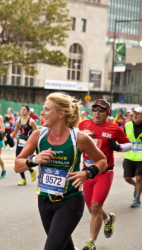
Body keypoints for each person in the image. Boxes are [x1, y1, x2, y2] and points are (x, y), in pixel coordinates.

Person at [14, 92, 107, 250]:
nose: (42, 113)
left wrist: (87, 173)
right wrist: (34, 160)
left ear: (61, 113)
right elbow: (17, 165)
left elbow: (102, 161)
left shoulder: (79, 138)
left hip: (70, 201)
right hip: (44, 201)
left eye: (47, 109)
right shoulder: (38, 135)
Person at [79, 99, 132, 250]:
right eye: (94, 109)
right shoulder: (84, 125)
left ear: (107, 113)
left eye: (101, 110)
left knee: (95, 207)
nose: (96, 112)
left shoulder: (114, 128)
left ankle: (91, 242)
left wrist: (118, 147)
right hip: (87, 172)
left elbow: (128, 145)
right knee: (91, 208)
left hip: (104, 172)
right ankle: (108, 218)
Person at [11, 104, 38, 186]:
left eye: (24, 110)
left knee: (26, 161)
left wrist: (29, 138)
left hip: (28, 144)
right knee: (18, 161)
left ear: (28, 111)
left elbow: (36, 133)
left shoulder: (31, 121)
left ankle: (31, 171)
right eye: (21, 109)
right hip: (20, 143)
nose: (22, 111)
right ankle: (24, 179)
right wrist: (10, 136)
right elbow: (15, 132)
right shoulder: (18, 121)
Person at [122, 107, 142, 207]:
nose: (135, 115)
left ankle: (137, 199)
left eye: (138, 113)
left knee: (139, 178)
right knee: (127, 178)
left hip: (141, 158)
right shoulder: (127, 125)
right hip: (129, 156)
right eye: (134, 113)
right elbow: (121, 138)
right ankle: (136, 186)